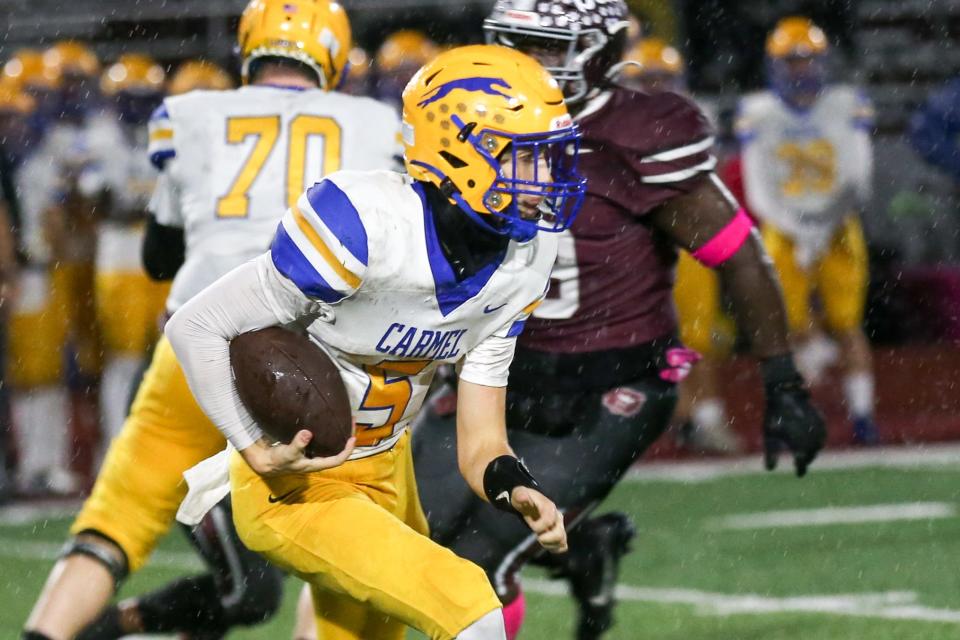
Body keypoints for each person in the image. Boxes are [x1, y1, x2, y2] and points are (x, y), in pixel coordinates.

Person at [405, 2, 826, 639]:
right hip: (492, 372)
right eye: (517, 43)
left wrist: (783, 378)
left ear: (602, 52)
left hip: (607, 386)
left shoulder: (637, 134)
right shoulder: (464, 118)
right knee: (406, 538)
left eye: (548, 47)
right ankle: (586, 548)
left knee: (474, 562)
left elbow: (738, 256)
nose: (532, 63)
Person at [168, 42, 581, 640]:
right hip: (299, 486)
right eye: (526, 157)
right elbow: (197, 326)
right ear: (462, 152)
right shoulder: (364, 223)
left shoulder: (526, 258)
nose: (546, 177)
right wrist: (253, 446)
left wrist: (515, 484)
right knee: (469, 604)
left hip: (389, 471)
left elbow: (481, 439)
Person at [21, 1, 400, 638]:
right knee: (340, 530)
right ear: (333, 55)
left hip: (201, 338)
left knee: (119, 514)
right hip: (317, 359)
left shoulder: (194, 113)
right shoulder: (374, 122)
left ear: (251, 48)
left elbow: (160, 253)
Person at [738, 16, 878, 444]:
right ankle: (794, 419)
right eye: (791, 60)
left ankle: (862, 417)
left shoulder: (845, 102)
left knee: (848, 325)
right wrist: (795, 227)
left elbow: (859, 178)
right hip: (783, 226)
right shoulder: (759, 111)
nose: (800, 68)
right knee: (788, 329)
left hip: (837, 225)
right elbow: (757, 186)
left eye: (806, 59)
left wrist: (821, 226)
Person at [621, 36, 743, 454]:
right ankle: (666, 421)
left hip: (686, 239)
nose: (655, 88)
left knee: (698, 333)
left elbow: (715, 183)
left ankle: (703, 417)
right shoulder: (611, 124)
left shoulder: (695, 120)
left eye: (663, 79)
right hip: (635, 243)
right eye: (647, 79)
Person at [93, 53, 171, 449]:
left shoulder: (165, 133)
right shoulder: (97, 138)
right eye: (131, 97)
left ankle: (153, 446)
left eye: (145, 97)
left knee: (167, 355)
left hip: (157, 254)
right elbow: (97, 204)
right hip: (120, 259)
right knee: (123, 361)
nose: (138, 105)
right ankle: (116, 445)